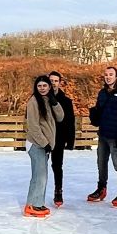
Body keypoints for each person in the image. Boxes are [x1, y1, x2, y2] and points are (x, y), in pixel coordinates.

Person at [87, 66, 117, 205]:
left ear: (116, 76)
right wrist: (94, 114)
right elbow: (99, 112)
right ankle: (101, 188)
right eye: (106, 74)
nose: (108, 77)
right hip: (103, 134)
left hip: (116, 135)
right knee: (101, 163)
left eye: (111, 74)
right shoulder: (102, 93)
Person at [23, 75, 64, 218]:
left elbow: (60, 117)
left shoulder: (48, 100)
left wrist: (55, 103)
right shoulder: (33, 102)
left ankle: (35, 203)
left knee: (40, 175)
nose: (42, 88)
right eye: (39, 86)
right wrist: (44, 143)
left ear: (49, 87)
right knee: (40, 176)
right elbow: (33, 126)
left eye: (44, 86)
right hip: (36, 143)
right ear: (36, 87)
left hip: (44, 144)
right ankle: (34, 204)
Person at [48, 71, 76, 207]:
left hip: (59, 137)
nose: (53, 83)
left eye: (55, 81)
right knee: (41, 166)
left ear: (59, 83)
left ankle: (58, 190)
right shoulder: (40, 98)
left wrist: (70, 141)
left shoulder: (66, 101)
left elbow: (70, 121)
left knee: (57, 165)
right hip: (44, 137)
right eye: (51, 80)